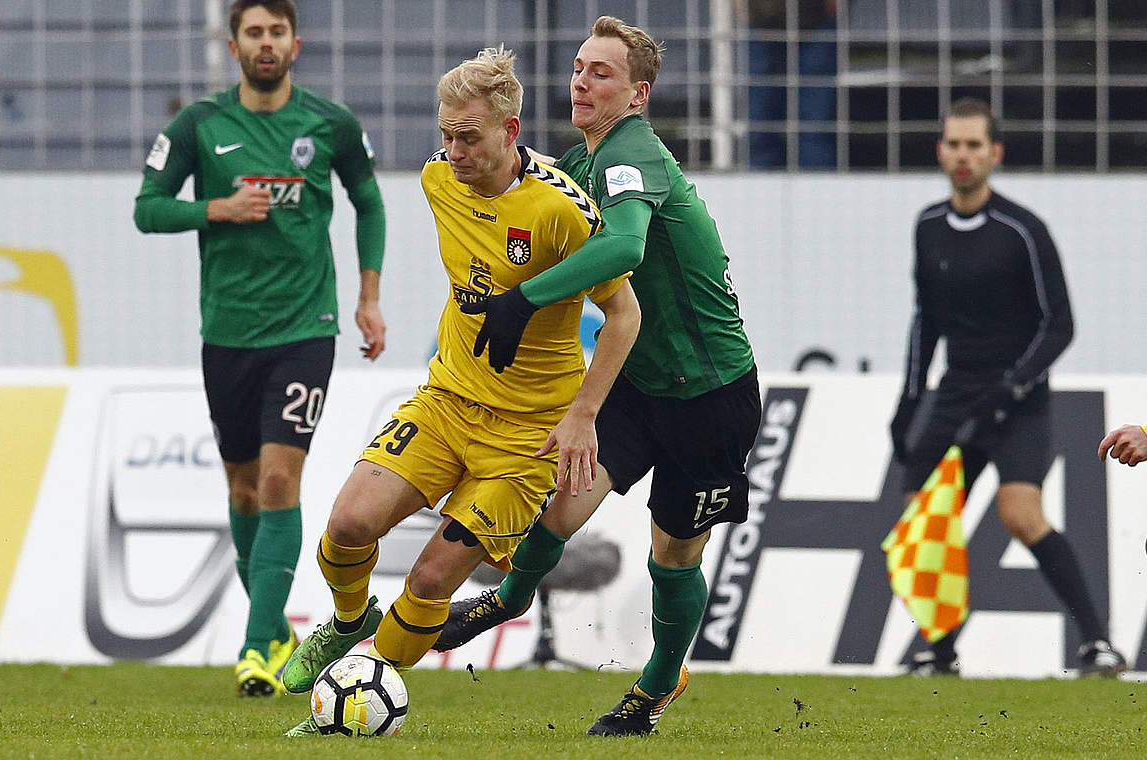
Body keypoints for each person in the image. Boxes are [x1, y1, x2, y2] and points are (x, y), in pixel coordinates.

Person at [278, 46, 641, 737]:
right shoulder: (437, 180)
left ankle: (351, 699)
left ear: (509, 132)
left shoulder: (562, 210)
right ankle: (349, 618)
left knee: (429, 583)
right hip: (448, 403)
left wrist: (584, 415)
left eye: (468, 137)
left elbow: (625, 314)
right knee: (348, 526)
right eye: (446, 134)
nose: (453, 150)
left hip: (527, 437)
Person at [434, 17, 761, 737]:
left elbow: (622, 244)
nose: (582, 80)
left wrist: (523, 298)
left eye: (602, 72)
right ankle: (510, 599)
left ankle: (651, 690)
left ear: (638, 94)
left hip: (710, 396)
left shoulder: (631, 150)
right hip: (639, 390)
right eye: (579, 67)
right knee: (558, 506)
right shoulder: (580, 167)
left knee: (671, 559)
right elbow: (530, 196)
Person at [132, 0, 387, 697]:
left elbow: (369, 202)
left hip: (306, 328)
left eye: (277, 32)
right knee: (243, 489)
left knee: (279, 481)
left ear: (295, 44)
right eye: (254, 33)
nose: (266, 43)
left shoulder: (329, 124)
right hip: (228, 334)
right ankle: (275, 632)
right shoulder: (200, 125)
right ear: (235, 43)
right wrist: (214, 208)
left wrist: (368, 297)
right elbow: (147, 208)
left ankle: (253, 650)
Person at [888, 97, 1126, 678]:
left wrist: (1010, 389)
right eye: (955, 144)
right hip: (956, 392)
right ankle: (939, 653)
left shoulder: (1022, 229)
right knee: (930, 519)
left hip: (1018, 400)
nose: (964, 156)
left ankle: (1097, 643)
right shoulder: (927, 225)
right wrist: (910, 399)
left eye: (975, 145)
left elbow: (1059, 326)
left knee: (1021, 513)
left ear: (994, 153)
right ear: (941, 151)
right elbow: (928, 319)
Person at [744, 0, 838, 169]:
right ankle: (762, 187)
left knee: (816, 126)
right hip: (761, 18)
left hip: (817, 17)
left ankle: (817, 188)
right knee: (760, 123)